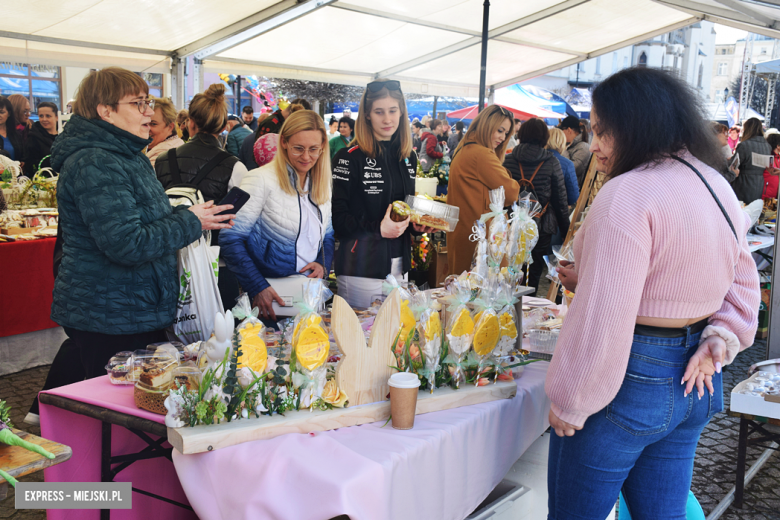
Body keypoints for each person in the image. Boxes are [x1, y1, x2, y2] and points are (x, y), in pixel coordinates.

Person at [545, 67, 760, 519]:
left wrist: (571, 400)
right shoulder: (715, 183)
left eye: (604, 131)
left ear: (636, 124)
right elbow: (742, 284)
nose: (597, 144)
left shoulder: (628, 192)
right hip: (696, 378)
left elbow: (604, 313)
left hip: (631, 376)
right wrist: (717, 340)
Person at [49, 67, 235, 379]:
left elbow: (146, 223)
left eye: (148, 103)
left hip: (128, 307)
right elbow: (128, 243)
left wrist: (187, 216)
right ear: (106, 111)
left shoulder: (125, 154)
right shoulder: (97, 161)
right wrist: (191, 221)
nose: (149, 113)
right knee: (115, 407)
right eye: (139, 104)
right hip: (111, 313)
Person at [221, 111, 335, 323]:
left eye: (314, 150)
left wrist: (322, 263)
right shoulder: (259, 179)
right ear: (283, 142)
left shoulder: (322, 183)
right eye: (298, 148)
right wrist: (257, 286)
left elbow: (327, 234)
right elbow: (229, 238)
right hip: (270, 297)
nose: (306, 157)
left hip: (309, 296)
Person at [331, 79, 435, 308]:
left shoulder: (409, 156)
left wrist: (416, 225)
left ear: (401, 112)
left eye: (392, 111)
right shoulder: (348, 157)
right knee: (363, 340)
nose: (387, 119)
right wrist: (378, 229)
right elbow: (337, 220)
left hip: (400, 266)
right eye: (379, 112)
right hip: (361, 270)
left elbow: (405, 208)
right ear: (367, 114)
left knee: (397, 340)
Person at [155, 84, 248, 309]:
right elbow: (240, 225)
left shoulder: (162, 159)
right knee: (219, 338)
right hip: (215, 266)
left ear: (189, 123)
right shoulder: (235, 167)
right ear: (224, 127)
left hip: (168, 261)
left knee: (169, 341)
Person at [447, 105, 520, 276]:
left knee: (464, 293)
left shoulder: (465, 148)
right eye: (500, 130)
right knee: (482, 296)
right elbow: (511, 193)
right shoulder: (481, 154)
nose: (502, 137)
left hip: (466, 234)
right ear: (487, 125)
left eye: (506, 133)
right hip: (481, 242)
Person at [503, 118, 570, 294]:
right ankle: (527, 308)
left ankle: (508, 309)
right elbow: (560, 200)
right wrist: (566, 232)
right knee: (533, 271)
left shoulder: (508, 160)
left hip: (511, 224)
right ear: (544, 138)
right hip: (540, 226)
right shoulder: (551, 162)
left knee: (509, 267)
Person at [239, 98, 311, 170]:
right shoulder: (271, 123)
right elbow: (261, 152)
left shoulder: (279, 121)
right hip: (268, 169)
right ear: (293, 115)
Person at [731, 117, 772, 203]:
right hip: (759, 183)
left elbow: (733, 165)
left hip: (743, 183)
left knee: (742, 211)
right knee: (753, 210)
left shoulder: (744, 145)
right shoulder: (767, 146)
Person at [145, 96, 184, 168]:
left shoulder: (160, 157)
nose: (146, 128)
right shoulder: (177, 144)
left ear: (170, 127)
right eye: (144, 123)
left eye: (153, 124)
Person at [23, 102, 59, 177]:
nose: (44, 119)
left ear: (57, 117)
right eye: (41, 116)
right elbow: (30, 165)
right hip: (43, 181)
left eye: (48, 116)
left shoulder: (64, 135)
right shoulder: (33, 137)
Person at [546, 127, 579, 206]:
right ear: (562, 142)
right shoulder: (567, 164)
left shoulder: (536, 159)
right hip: (557, 212)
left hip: (534, 211)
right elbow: (573, 197)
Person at [559, 114, 591, 187]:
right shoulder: (572, 145)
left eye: (562, 130)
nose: (561, 134)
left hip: (577, 192)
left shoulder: (583, 147)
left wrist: (563, 149)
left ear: (569, 130)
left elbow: (572, 170)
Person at [0, 97, 23, 161]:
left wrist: (23, 161)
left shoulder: (16, 134)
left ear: (9, 114)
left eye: (2, 112)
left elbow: (22, 153)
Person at [762, 132, 780, 200]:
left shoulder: (778, 157)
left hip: (776, 193)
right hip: (766, 194)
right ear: (778, 146)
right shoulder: (768, 158)